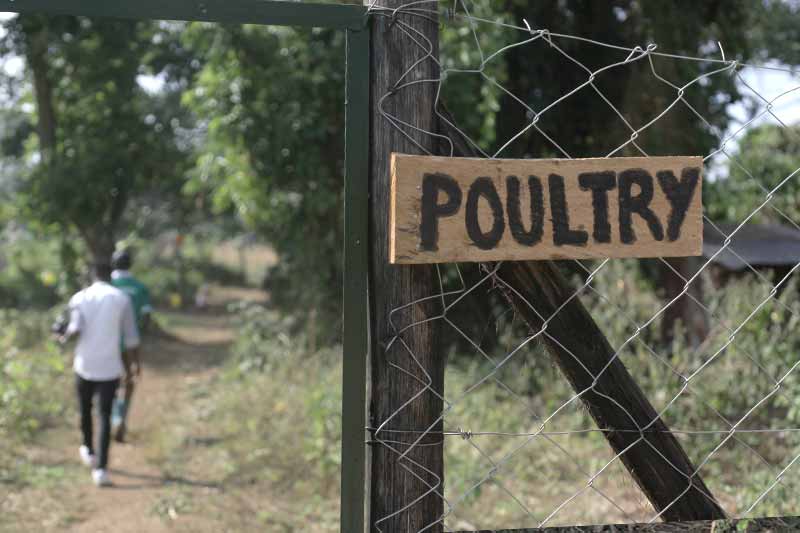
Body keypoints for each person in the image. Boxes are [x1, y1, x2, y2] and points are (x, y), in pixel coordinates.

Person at [59, 262, 140, 487]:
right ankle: (102, 469)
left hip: (84, 365)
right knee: (105, 416)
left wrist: (63, 336)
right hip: (109, 367)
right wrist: (134, 365)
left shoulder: (79, 298)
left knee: (85, 409)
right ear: (110, 276)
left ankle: (89, 449)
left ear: (92, 275)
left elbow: (74, 329)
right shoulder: (121, 298)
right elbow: (131, 337)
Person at [110, 248, 152, 442]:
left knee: (108, 381)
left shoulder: (108, 285)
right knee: (129, 379)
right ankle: (122, 417)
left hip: (107, 342)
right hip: (130, 343)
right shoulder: (140, 287)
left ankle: (113, 417)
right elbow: (146, 316)